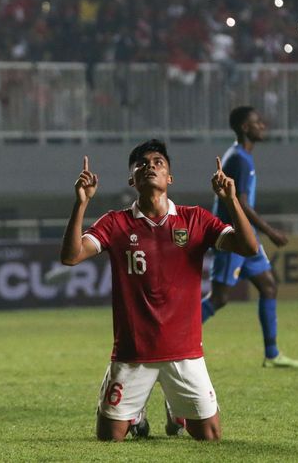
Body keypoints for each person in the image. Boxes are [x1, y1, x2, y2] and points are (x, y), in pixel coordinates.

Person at [60, 139, 258, 441]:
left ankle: (173, 406)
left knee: (211, 436)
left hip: (185, 354)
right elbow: (71, 256)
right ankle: (136, 414)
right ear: (132, 179)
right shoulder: (115, 223)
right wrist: (81, 202)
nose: (150, 166)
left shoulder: (196, 219)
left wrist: (232, 200)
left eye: (158, 163)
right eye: (142, 164)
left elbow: (248, 247)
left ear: (169, 178)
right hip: (133, 354)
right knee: (108, 438)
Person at [202, 106, 298, 369]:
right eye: (257, 122)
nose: (263, 126)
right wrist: (270, 231)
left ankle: (272, 354)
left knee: (269, 286)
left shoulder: (241, 156)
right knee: (220, 298)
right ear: (245, 128)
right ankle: (173, 337)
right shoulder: (240, 158)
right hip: (233, 236)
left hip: (247, 237)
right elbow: (242, 203)